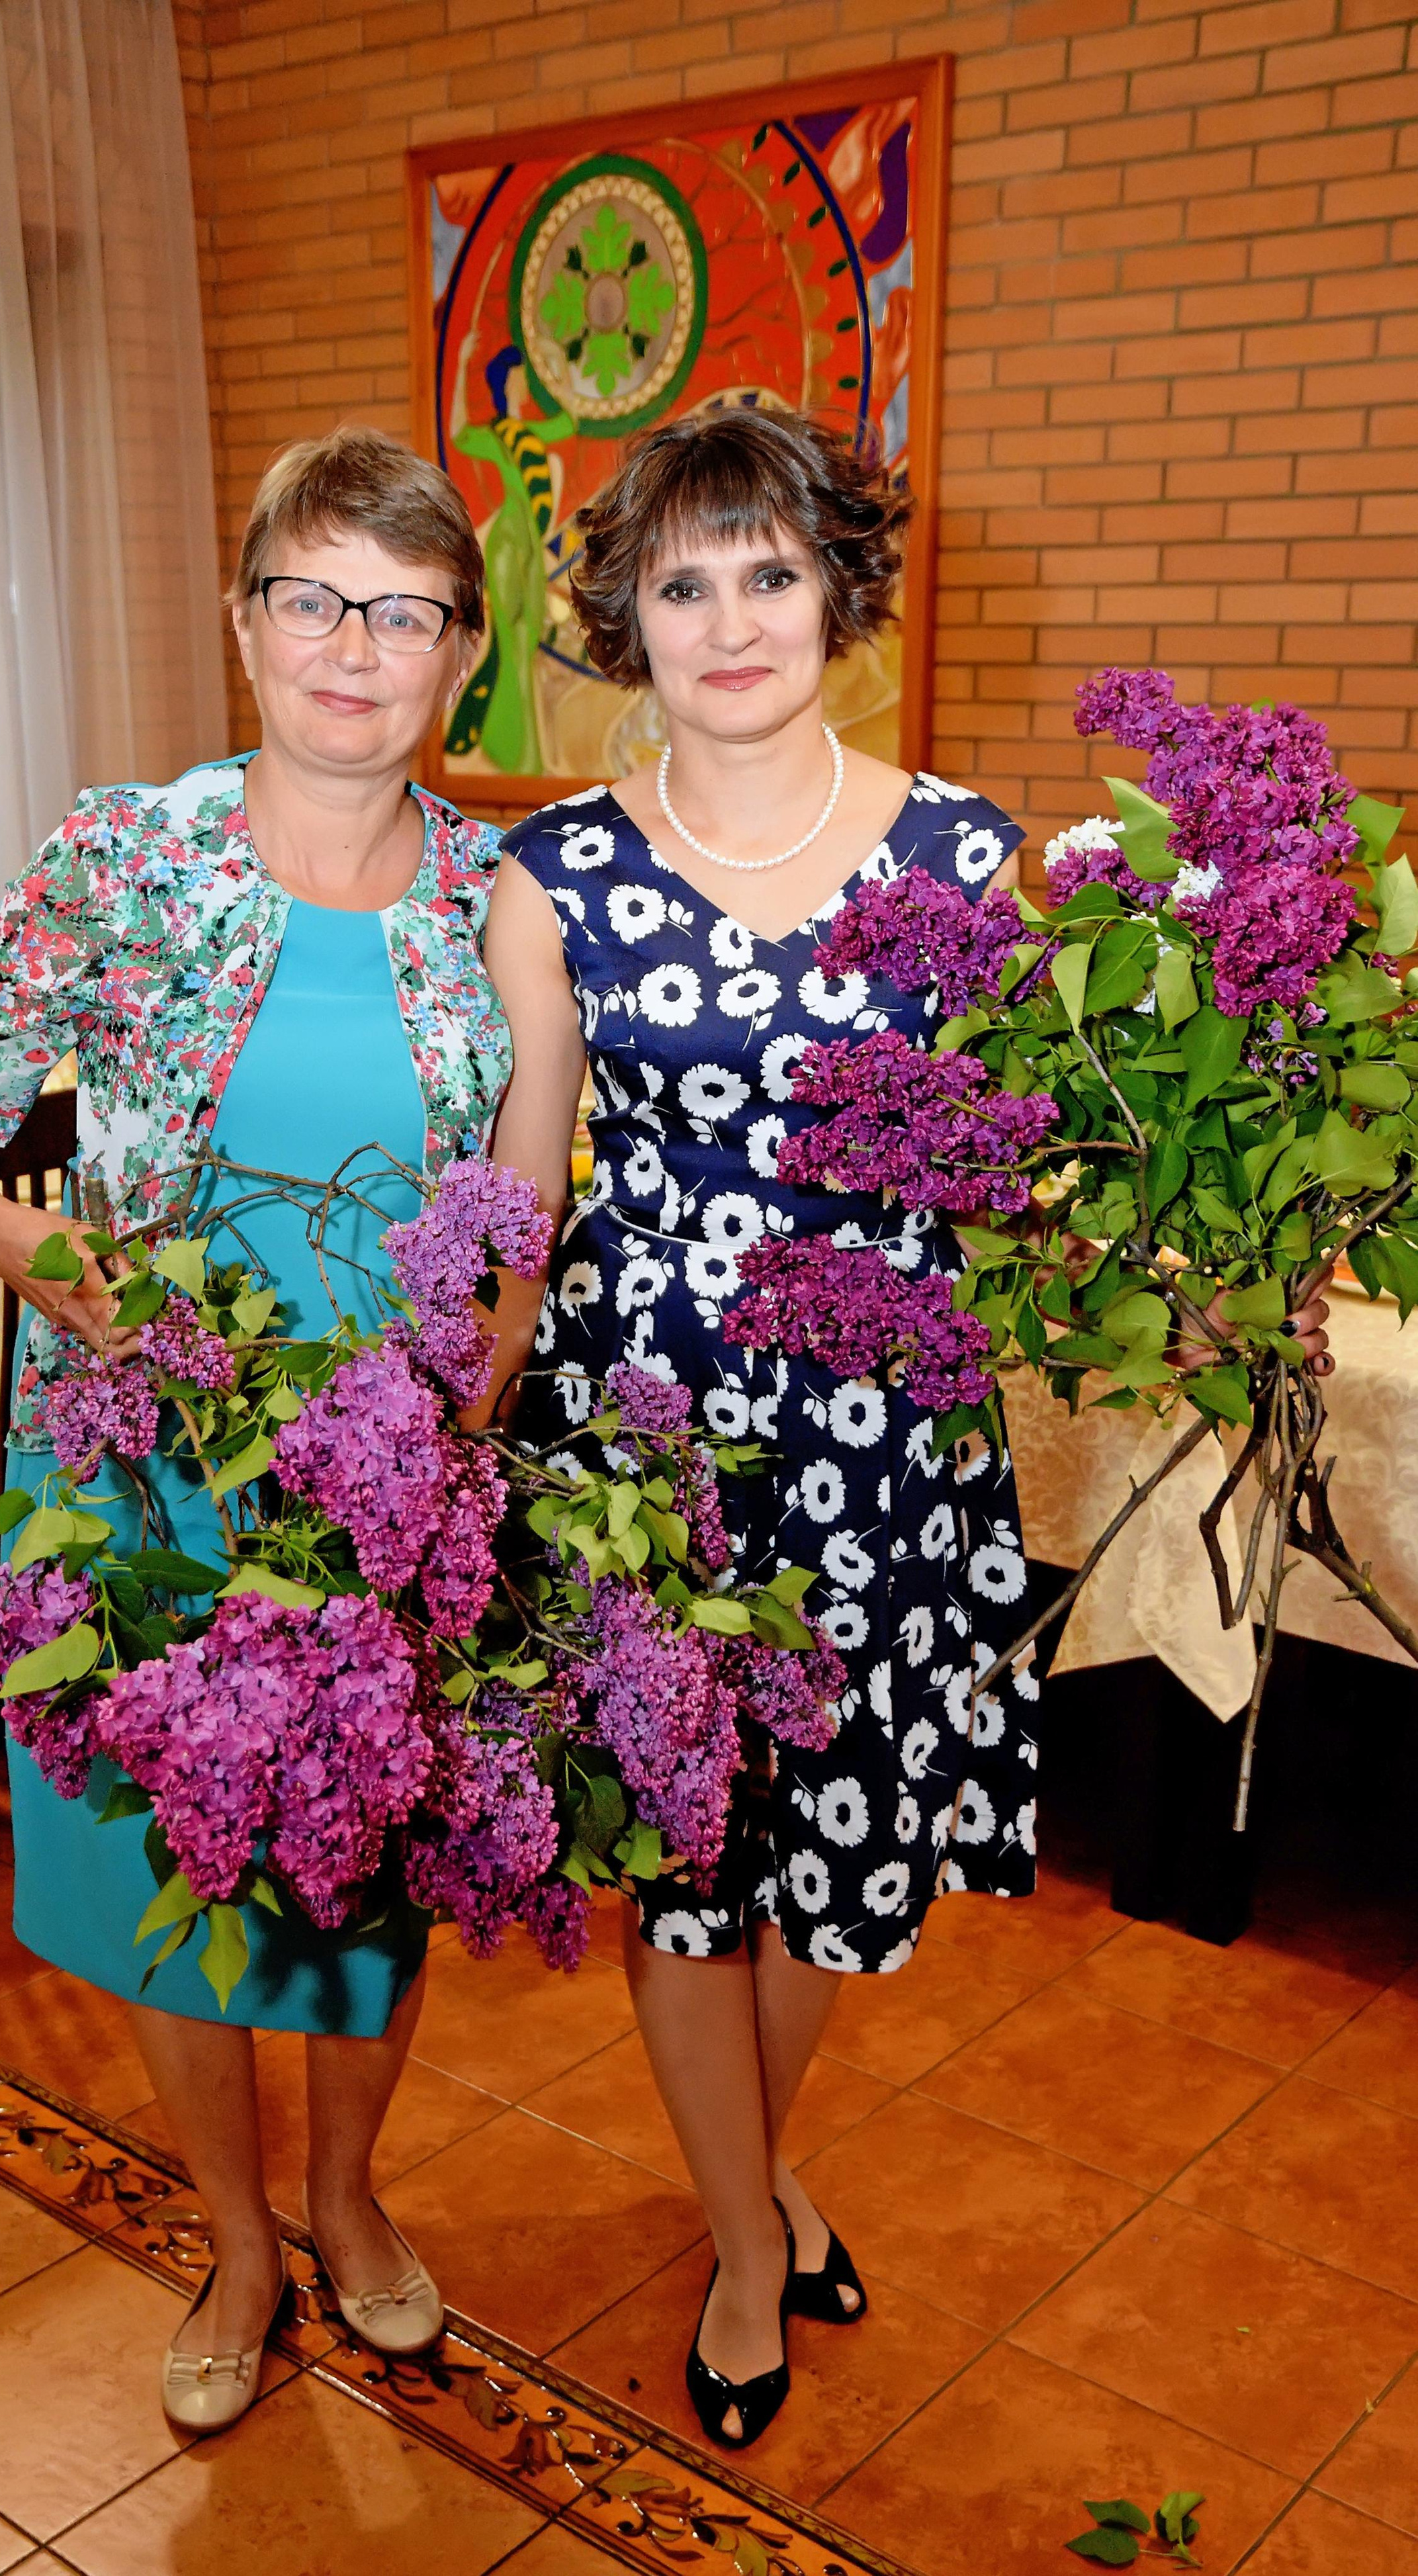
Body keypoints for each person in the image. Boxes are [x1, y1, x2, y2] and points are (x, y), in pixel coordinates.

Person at [480, 406, 1331, 2448]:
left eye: (769, 571)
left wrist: (1219, 1212)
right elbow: (521, 1187)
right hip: (651, 1446)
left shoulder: (972, 852)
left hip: (884, 1431)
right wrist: (454, 1434)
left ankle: (754, 2162)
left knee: (838, 1854)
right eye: (684, 583)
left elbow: (1032, 1164)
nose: (732, 618)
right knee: (687, 1857)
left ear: (841, 591)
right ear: (626, 621)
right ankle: (747, 2235)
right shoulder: (555, 875)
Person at [0, 425, 511, 2430]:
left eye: (400, 613)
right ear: (246, 624)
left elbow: (532, 1199)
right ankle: (235, 2231)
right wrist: (20, 1235)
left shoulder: (503, 900)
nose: (350, 646)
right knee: (180, 1872)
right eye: (311, 597)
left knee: (363, 1869)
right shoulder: (124, 860)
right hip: (143, 1471)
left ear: (459, 658)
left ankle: (346, 2195)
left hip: (385, 1492)